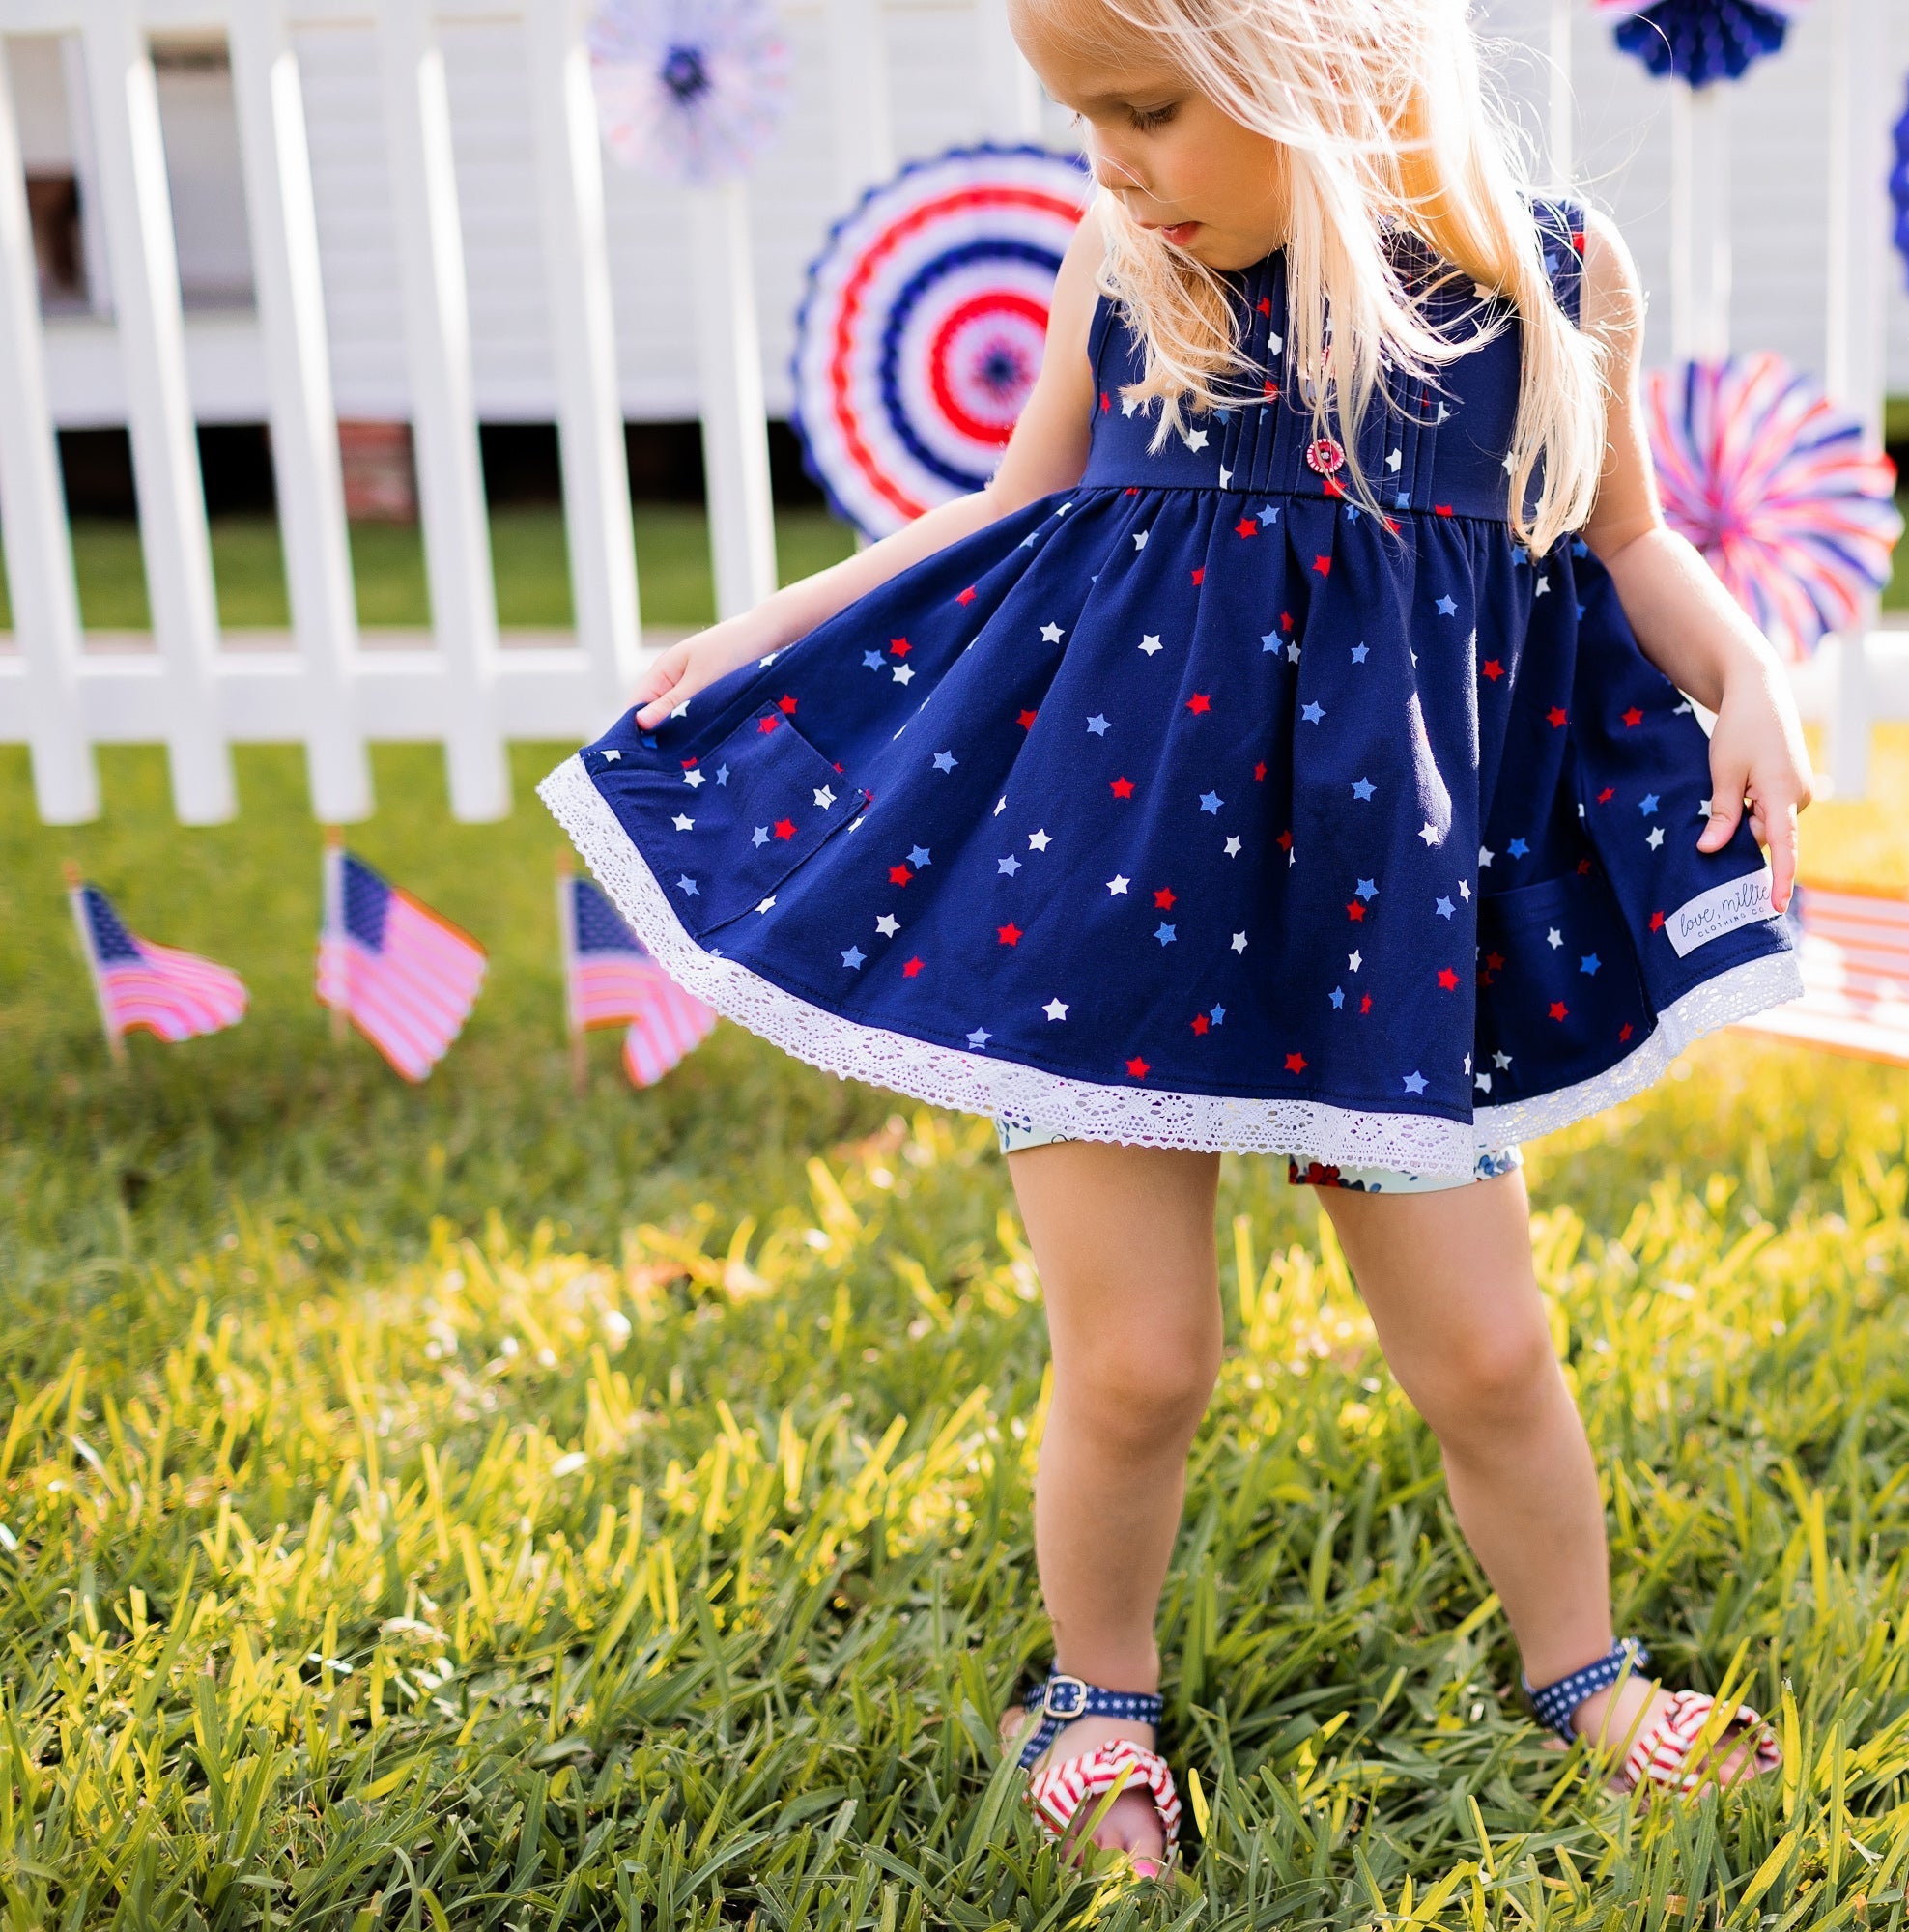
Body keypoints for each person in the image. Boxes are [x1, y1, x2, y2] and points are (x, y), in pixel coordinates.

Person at [538, 0, 1813, 1878]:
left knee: (1489, 1351)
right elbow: (1007, 518)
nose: (1111, 160)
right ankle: (1096, 1696)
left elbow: (1628, 543)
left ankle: (1587, 1675)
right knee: (1138, 1362)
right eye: (1084, 116)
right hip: (1107, 899)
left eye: (1148, 109)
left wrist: (1751, 673)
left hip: (1384, 922)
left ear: (1342, 65)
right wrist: (765, 631)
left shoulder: (1547, 277)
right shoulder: (1133, 270)